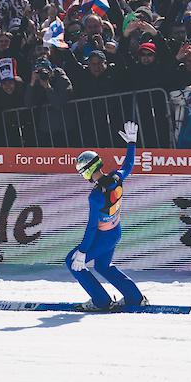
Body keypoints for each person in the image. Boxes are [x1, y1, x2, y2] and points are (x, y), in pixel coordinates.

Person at [67, 121, 147, 312]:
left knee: (72, 262)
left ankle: (101, 301)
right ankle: (134, 297)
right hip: (115, 231)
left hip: (103, 236)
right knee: (103, 266)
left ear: (86, 172)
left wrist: (83, 252)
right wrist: (132, 143)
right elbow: (128, 164)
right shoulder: (117, 177)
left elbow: (92, 228)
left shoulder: (95, 196)